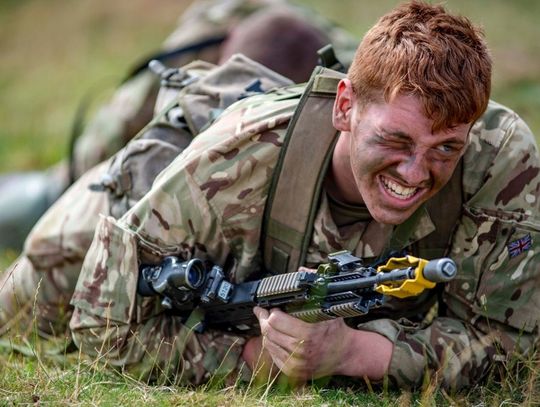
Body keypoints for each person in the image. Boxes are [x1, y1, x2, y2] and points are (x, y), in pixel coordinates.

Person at [3, 0, 540, 390]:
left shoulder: (497, 157)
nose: (417, 172)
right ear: (346, 107)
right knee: (26, 287)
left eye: (445, 148)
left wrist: (358, 353)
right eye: (395, 140)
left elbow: (512, 340)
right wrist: (257, 357)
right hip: (149, 185)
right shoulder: (230, 161)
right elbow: (104, 329)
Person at [0, 0, 358, 252]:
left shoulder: (357, 92)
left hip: (305, 65)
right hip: (222, 35)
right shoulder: (201, 58)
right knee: (88, 182)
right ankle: (45, 192)